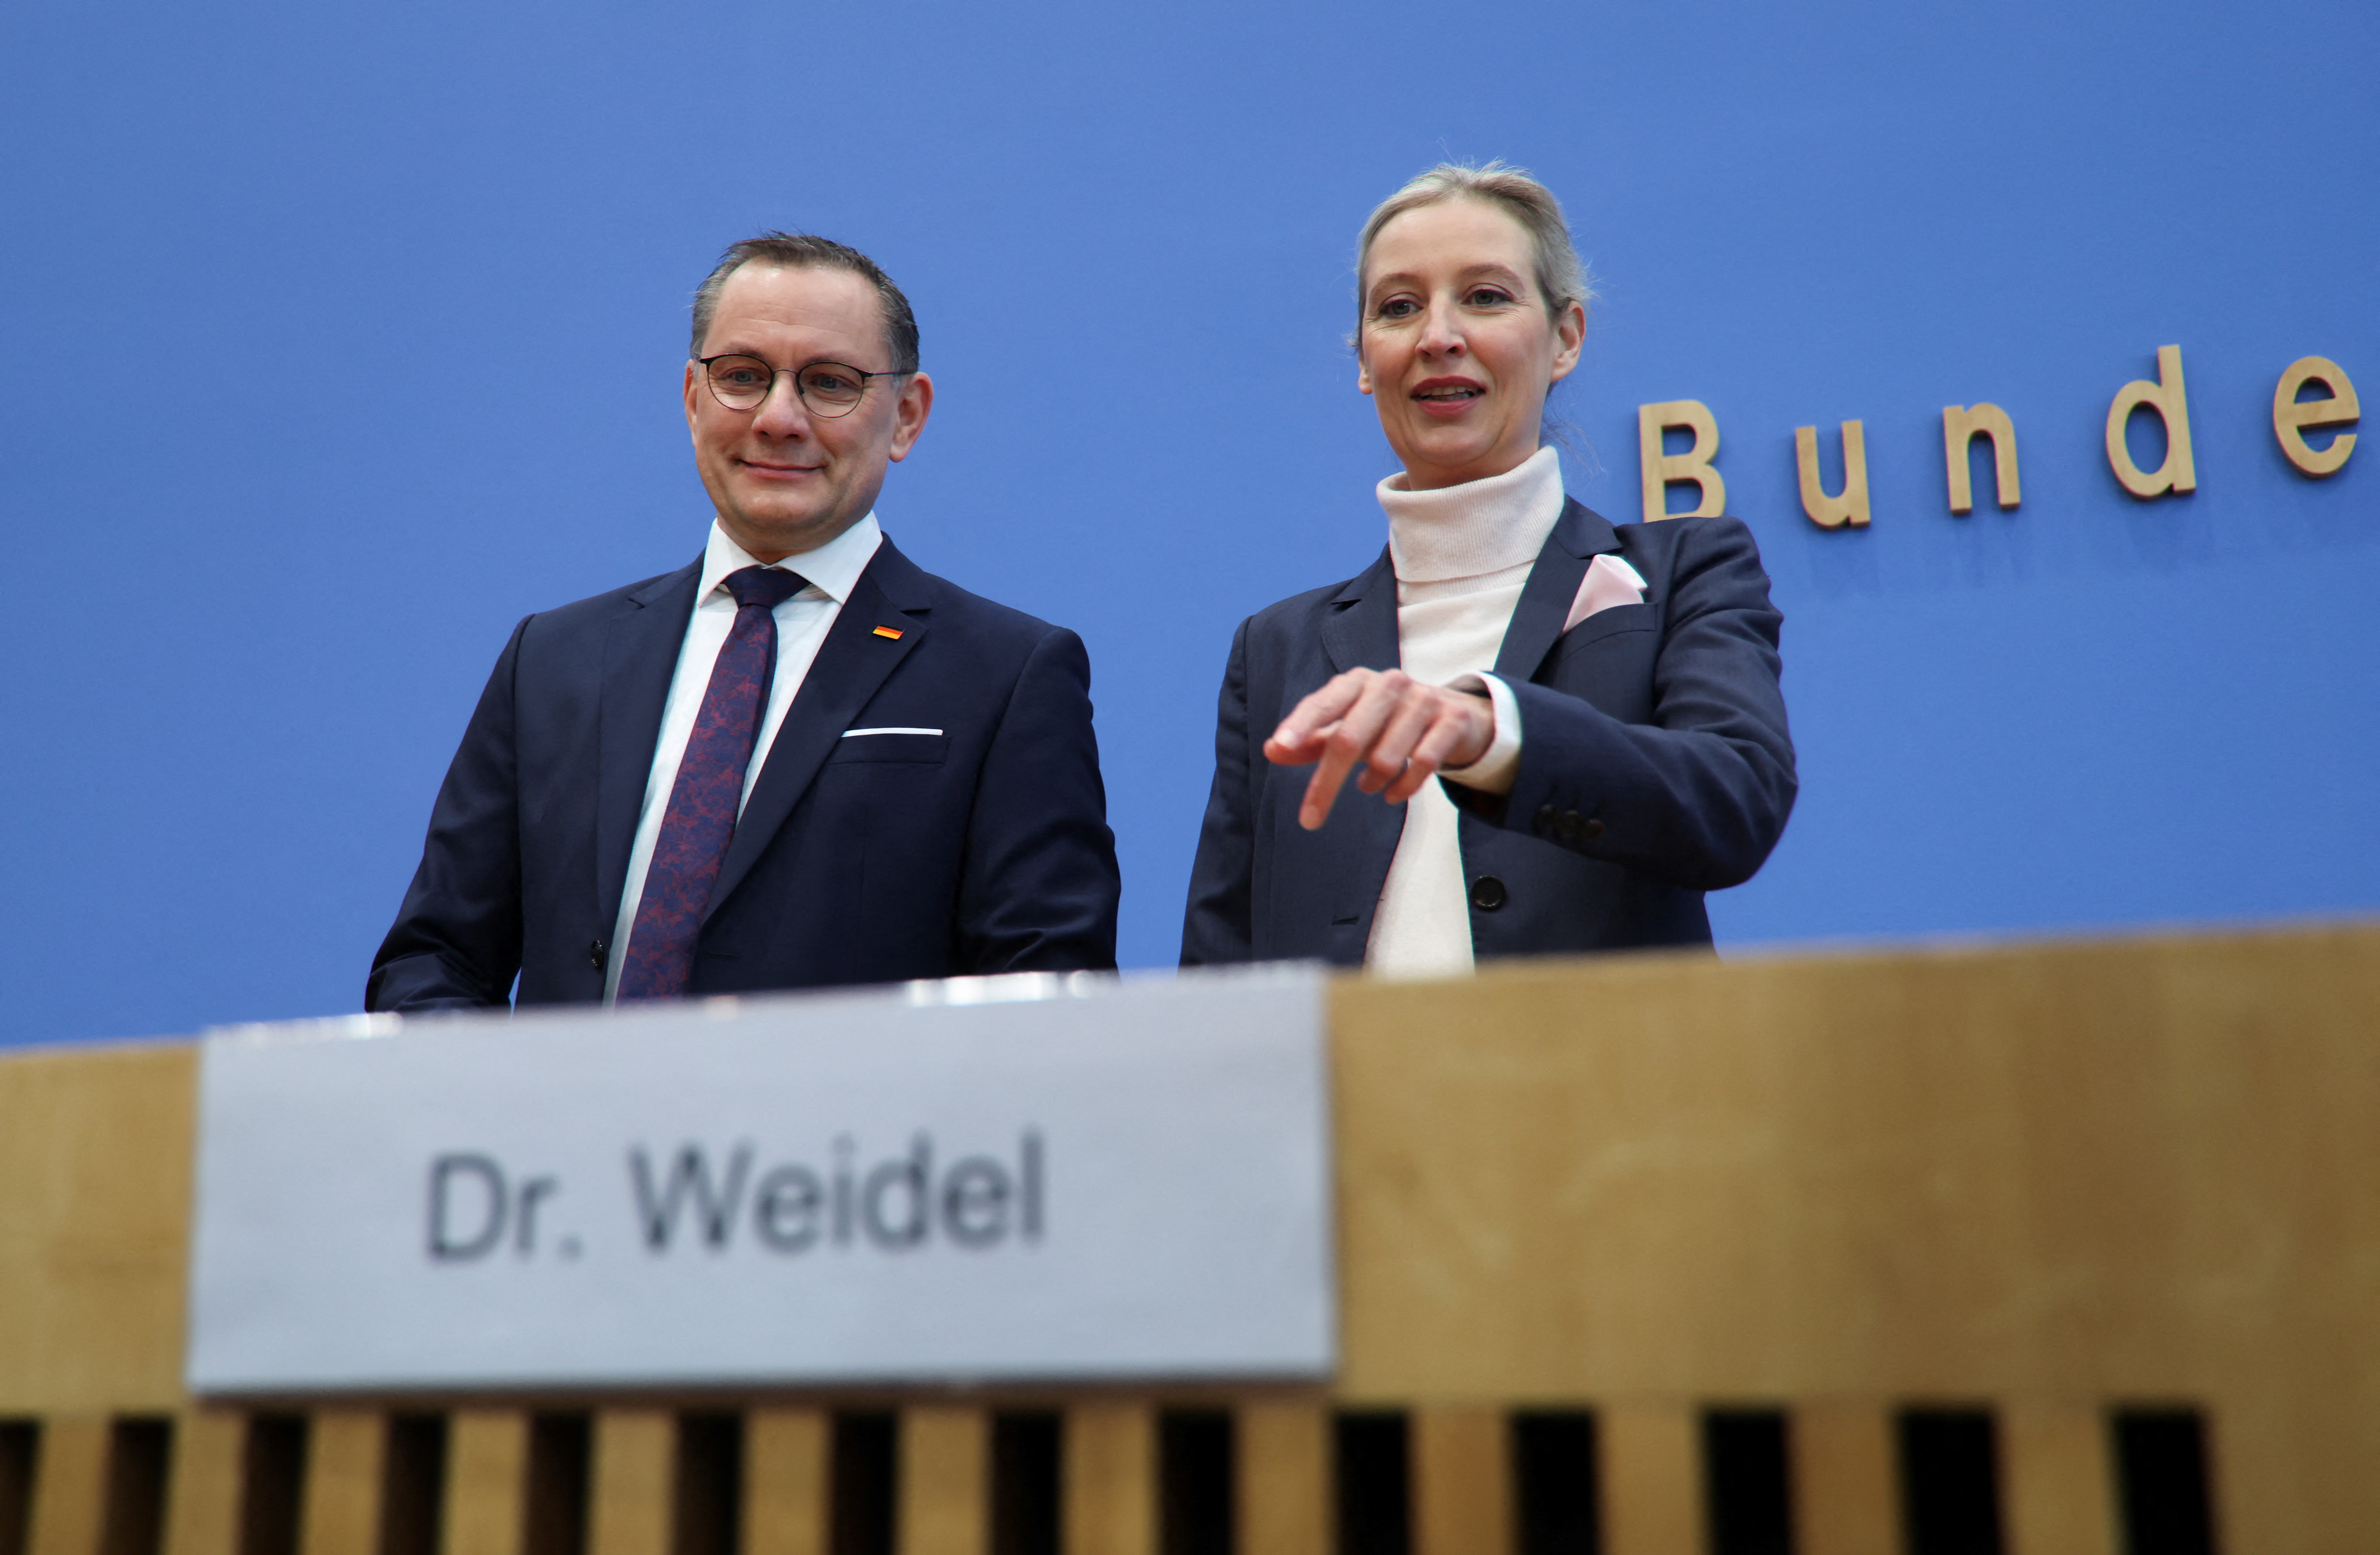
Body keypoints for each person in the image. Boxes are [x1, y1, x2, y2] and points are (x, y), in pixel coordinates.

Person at [370, 233, 1119, 1011]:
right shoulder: (554, 661)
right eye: (742, 378)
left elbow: (1048, 1004)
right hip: (571, 1130)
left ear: (906, 416)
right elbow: (436, 961)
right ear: (693, 400)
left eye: (831, 383)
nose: (778, 418)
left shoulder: (1005, 675)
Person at [1181, 164, 1794, 972]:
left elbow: (1735, 799)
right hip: (1354, 1094)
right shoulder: (1276, 648)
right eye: (1398, 308)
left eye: (1486, 297)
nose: (1438, 336)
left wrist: (1495, 730)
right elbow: (1225, 961)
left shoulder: (1685, 569)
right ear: (1365, 361)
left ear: (1566, 337)